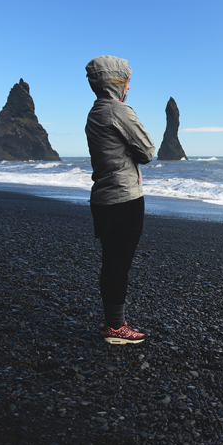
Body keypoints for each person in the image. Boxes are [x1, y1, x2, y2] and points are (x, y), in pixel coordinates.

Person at [85, 55, 155, 344]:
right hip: (123, 198)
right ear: (118, 82)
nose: (129, 86)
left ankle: (114, 322)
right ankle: (115, 327)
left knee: (112, 262)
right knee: (118, 264)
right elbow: (148, 151)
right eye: (127, 81)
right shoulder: (119, 110)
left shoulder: (95, 111)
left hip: (103, 197)